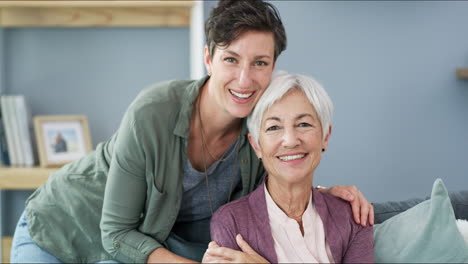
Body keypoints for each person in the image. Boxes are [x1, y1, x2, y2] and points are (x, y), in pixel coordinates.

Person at [10, 1, 374, 263]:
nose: (245, 79)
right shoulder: (155, 111)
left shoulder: (259, 129)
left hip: (137, 249)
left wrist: (326, 194)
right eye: (231, 59)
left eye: (259, 63)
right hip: (63, 227)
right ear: (208, 58)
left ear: (273, 66)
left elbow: (280, 185)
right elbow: (116, 233)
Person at [202, 72, 374, 263]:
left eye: (303, 124)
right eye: (274, 127)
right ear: (256, 145)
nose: (290, 141)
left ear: (325, 136)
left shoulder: (352, 216)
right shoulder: (231, 222)